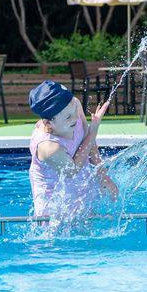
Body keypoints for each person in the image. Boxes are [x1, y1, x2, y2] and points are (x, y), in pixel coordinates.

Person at [28, 80, 118, 217]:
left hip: (81, 192)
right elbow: (72, 170)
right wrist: (94, 131)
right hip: (54, 208)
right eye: (68, 117)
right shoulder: (48, 147)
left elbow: (88, 139)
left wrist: (103, 176)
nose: (76, 117)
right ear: (48, 123)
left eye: (75, 110)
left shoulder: (74, 104)